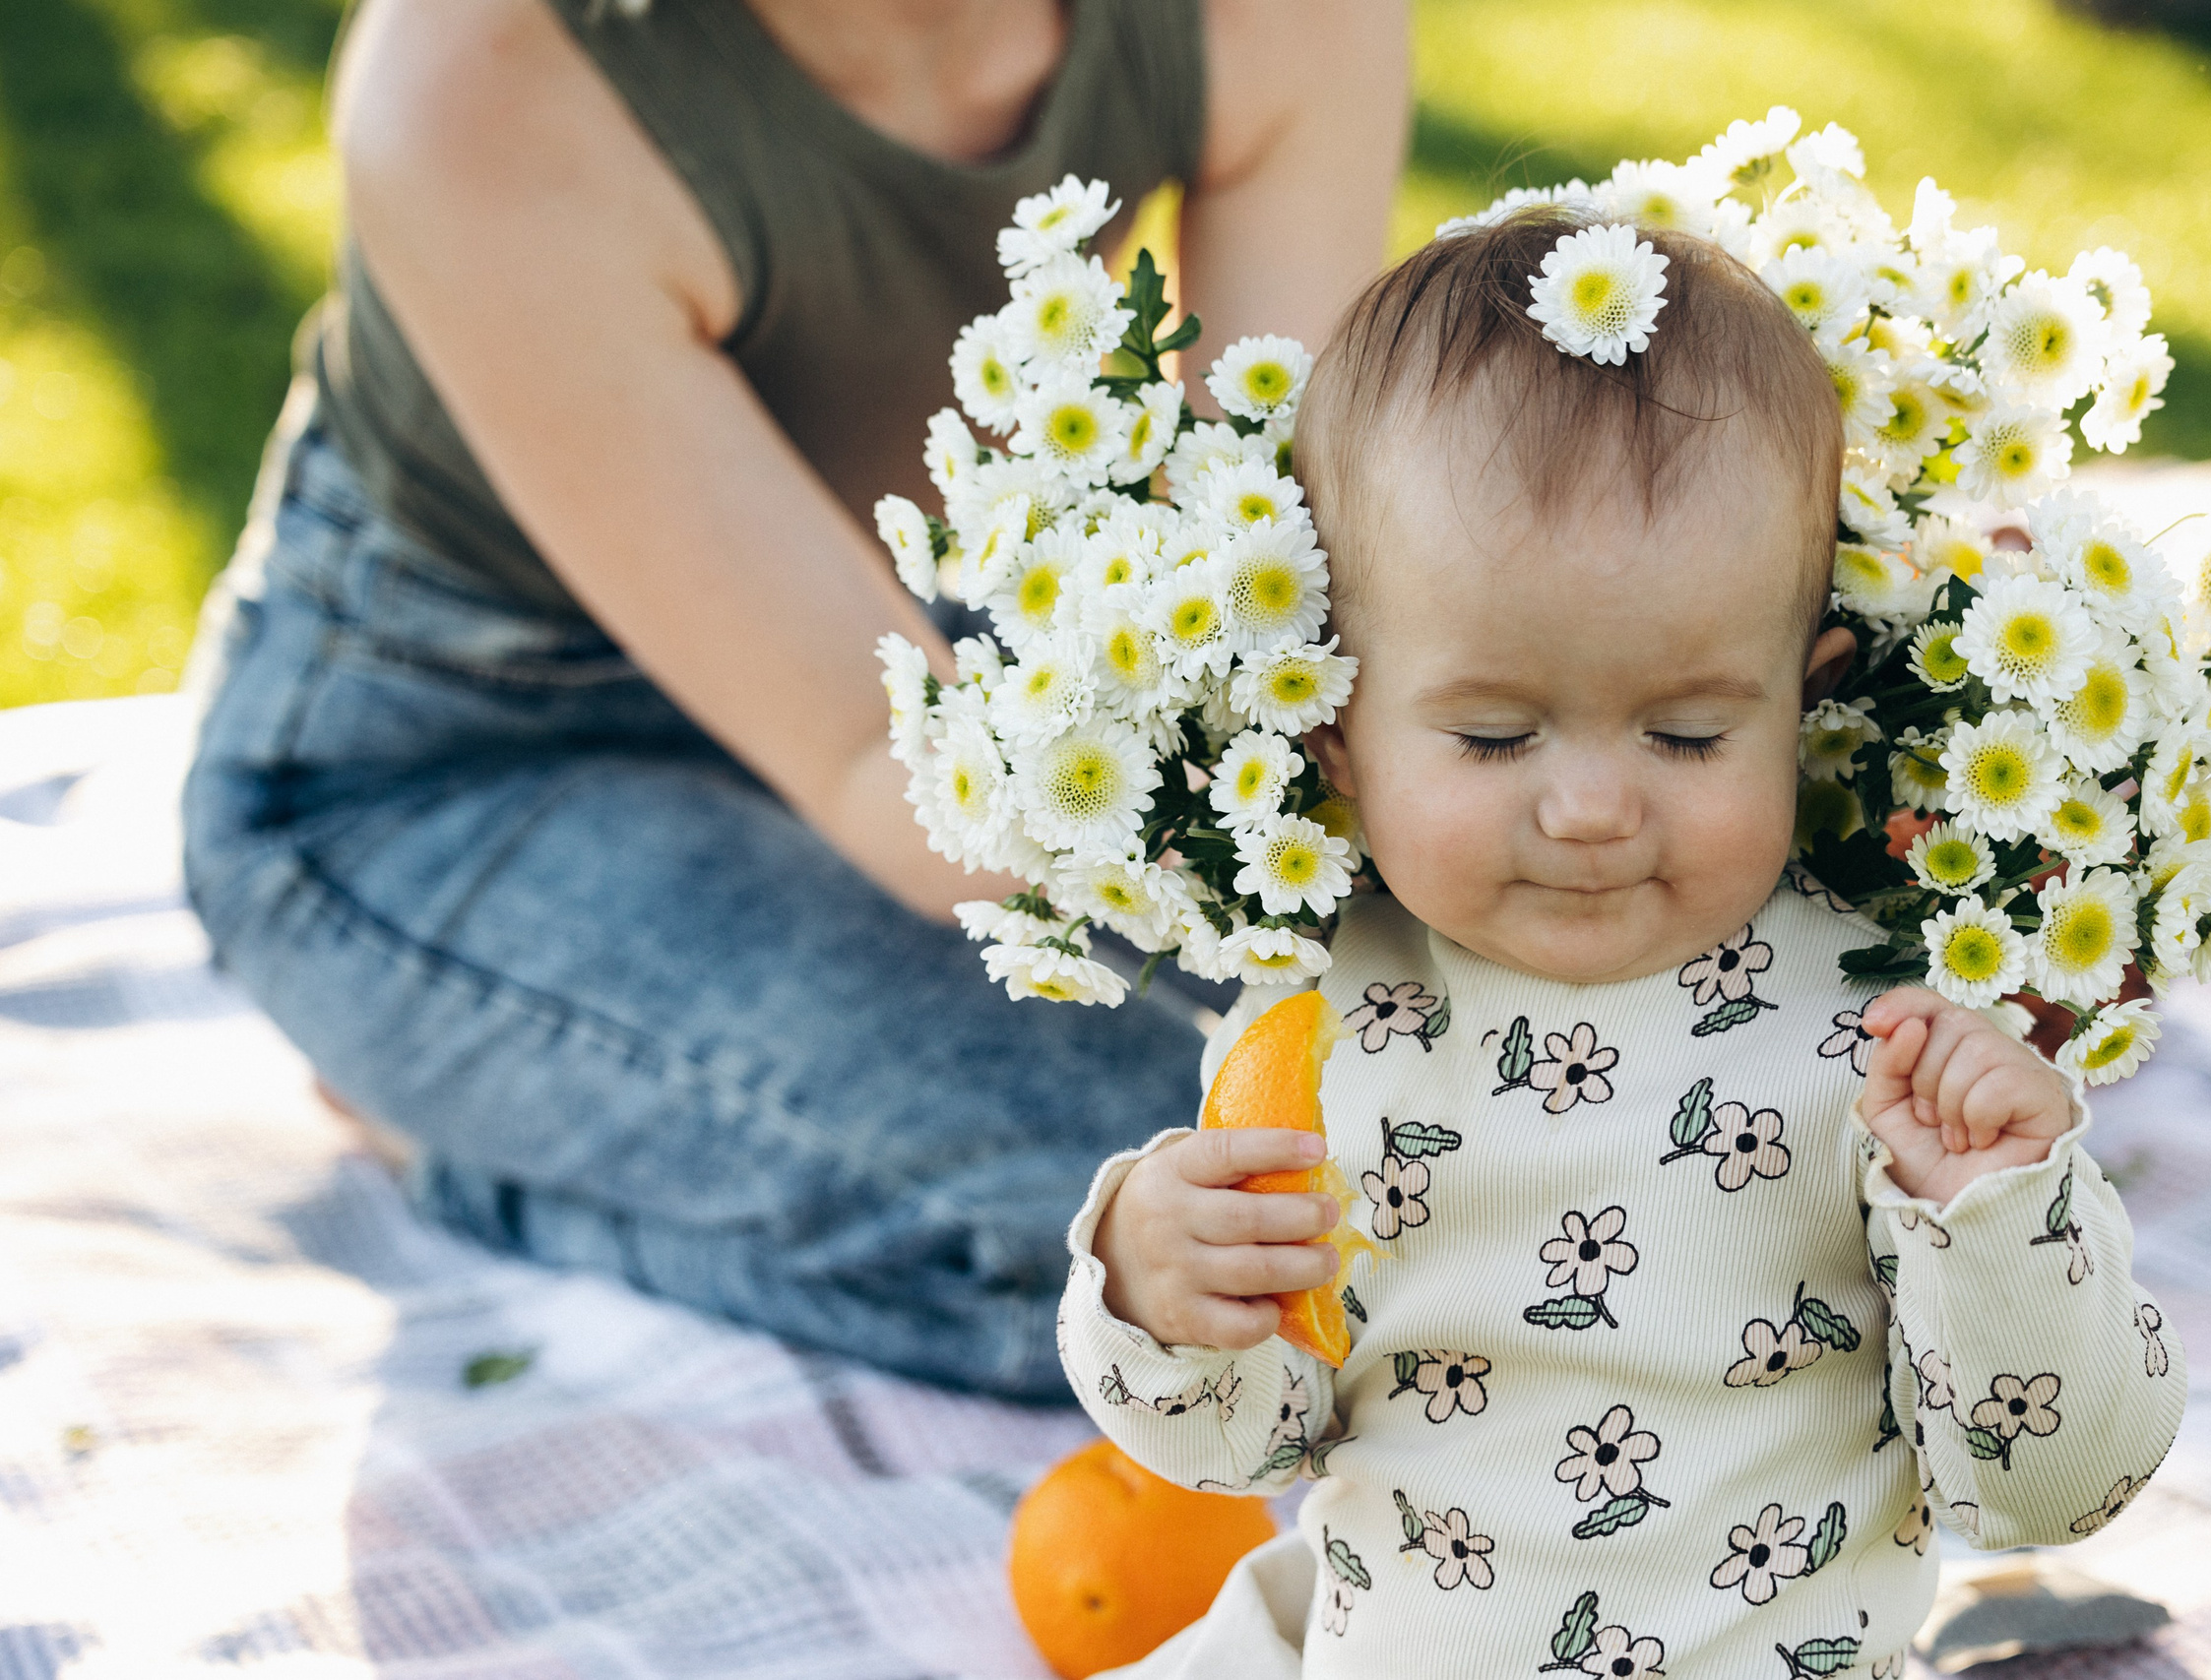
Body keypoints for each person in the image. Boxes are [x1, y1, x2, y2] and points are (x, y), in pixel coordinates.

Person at [178, 0, 1408, 1400]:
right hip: (445, 771)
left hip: (917, 646)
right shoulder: (481, 82)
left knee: (1458, 1099)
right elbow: (873, 769)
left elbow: (1281, 553)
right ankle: (479, 1162)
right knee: (1206, 1219)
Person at [1055, 216, 2187, 1675]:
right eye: (1493, 734)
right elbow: (1242, 1443)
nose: (1591, 806)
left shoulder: (1879, 1043)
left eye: (1689, 732)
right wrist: (1158, 1297)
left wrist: (2000, 1215)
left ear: (1805, 698)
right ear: (1339, 735)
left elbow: (2049, 1483)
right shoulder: (1316, 1040)